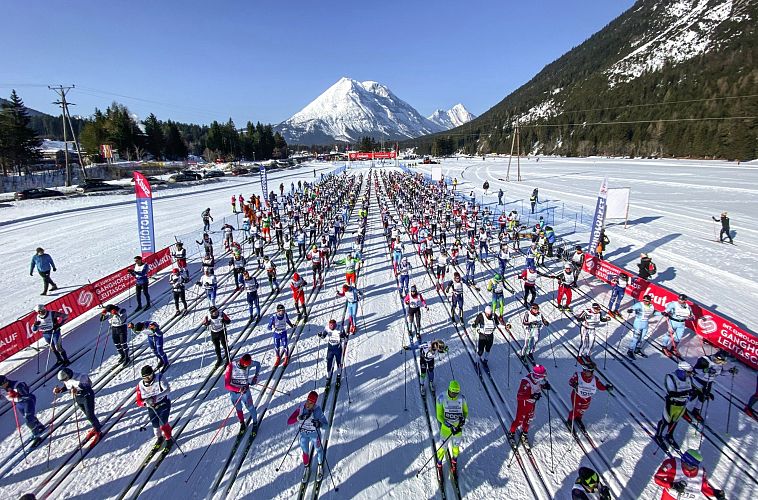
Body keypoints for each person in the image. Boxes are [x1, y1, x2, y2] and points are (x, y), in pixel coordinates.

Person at [53, 368, 102, 446]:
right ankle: (96, 426)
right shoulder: (67, 379)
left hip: (87, 396)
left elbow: (88, 387)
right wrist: (60, 390)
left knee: (90, 415)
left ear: (68, 375)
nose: (64, 381)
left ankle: (98, 431)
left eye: (65, 379)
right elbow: (67, 386)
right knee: (86, 414)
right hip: (78, 398)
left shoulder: (81, 377)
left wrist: (78, 390)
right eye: (63, 380)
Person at [685, 350, 735, 424]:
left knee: (703, 397)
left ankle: (696, 411)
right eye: (720, 361)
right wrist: (706, 370)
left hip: (708, 383)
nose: (720, 363)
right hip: (697, 381)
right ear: (716, 357)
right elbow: (695, 370)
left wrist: (730, 371)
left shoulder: (719, 364)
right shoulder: (704, 360)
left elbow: (721, 372)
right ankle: (682, 409)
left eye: (723, 362)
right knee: (692, 396)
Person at [286, 391, 328, 479]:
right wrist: (299, 418)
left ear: (315, 403)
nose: (308, 404)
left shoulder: (317, 410)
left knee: (318, 449)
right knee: (305, 451)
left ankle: (320, 465)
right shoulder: (301, 408)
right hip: (303, 435)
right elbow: (289, 421)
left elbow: (327, 426)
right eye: (308, 401)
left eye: (311, 403)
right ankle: (306, 467)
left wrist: (319, 424)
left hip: (315, 435)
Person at [654, 361, 695, 452]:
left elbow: (692, 390)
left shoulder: (688, 379)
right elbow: (671, 393)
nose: (690, 374)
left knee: (675, 421)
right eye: (688, 372)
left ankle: (669, 435)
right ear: (682, 370)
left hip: (682, 404)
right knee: (666, 420)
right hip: (672, 403)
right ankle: (658, 435)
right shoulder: (671, 377)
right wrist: (687, 393)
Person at [653, 449, 725, 500]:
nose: (683, 464)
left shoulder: (701, 472)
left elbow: (704, 488)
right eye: (683, 461)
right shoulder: (671, 464)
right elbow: (657, 478)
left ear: (694, 466)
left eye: (688, 465)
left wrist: (716, 493)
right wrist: (672, 485)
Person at [0, 375, 46, 447]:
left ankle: (36, 436)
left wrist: (17, 395)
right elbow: (3, 397)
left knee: (28, 420)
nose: (2, 387)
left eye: (2, 385)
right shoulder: (1, 388)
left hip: (28, 401)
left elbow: (27, 395)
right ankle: (39, 425)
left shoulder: (17, 385)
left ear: (6, 381)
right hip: (19, 404)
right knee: (27, 416)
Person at [566, 361, 612, 432]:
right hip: (577, 395)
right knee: (576, 409)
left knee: (583, 409)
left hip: (587, 397)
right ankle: (569, 420)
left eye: (588, 371)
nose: (586, 372)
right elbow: (570, 381)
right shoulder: (578, 375)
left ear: (592, 371)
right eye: (585, 370)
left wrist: (606, 387)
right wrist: (574, 384)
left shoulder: (595, 379)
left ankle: (578, 418)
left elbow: (600, 387)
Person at [509, 365, 550, 441]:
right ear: (538, 376)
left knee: (529, 419)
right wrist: (532, 396)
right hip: (524, 403)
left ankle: (524, 433)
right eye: (543, 376)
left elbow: (537, 386)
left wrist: (544, 386)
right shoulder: (526, 382)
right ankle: (511, 432)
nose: (544, 377)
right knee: (519, 420)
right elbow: (519, 396)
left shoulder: (537, 379)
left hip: (532, 403)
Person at [435, 380, 468, 475]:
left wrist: (462, 422)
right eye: (452, 393)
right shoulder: (441, 398)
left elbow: (465, 413)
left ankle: (454, 462)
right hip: (446, 429)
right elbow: (439, 415)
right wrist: (448, 425)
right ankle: (439, 464)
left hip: (458, 429)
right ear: (449, 390)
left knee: (456, 447)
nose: (454, 395)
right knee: (442, 447)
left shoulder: (462, 398)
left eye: (456, 393)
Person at [136, 365, 173, 445]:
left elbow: (167, 390)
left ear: (153, 374)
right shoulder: (140, 385)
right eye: (145, 378)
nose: (147, 379)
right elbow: (138, 401)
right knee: (155, 426)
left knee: (163, 423)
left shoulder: (159, 378)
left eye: (149, 376)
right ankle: (159, 438)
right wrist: (145, 403)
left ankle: (168, 439)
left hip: (163, 403)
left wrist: (155, 398)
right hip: (151, 407)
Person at [224, 353, 261, 431]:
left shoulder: (249, 363)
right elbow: (227, 385)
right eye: (246, 366)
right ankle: (242, 423)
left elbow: (258, 364)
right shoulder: (231, 366)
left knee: (250, 408)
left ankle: (255, 423)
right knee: (238, 408)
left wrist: (256, 376)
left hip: (245, 393)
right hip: (234, 393)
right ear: (243, 363)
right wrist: (239, 389)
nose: (248, 367)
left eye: (249, 365)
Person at [626, 294, 661, 359]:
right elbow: (633, 308)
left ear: (650, 301)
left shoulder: (651, 306)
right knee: (635, 338)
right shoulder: (639, 304)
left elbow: (654, 312)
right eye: (644, 300)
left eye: (647, 301)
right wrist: (631, 310)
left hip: (645, 324)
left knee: (642, 338)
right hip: (638, 323)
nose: (645, 302)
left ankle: (637, 349)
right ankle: (630, 351)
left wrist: (662, 313)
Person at [661, 294, 694, 358]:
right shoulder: (673, 304)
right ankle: (664, 347)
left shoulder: (688, 307)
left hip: (682, 323)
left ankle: (673, 348)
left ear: (685, 300)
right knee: (669, 334)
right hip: (673, 321)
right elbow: (666, 310)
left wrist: (691, 318)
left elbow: (692, 316)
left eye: (681, 300)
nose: (679, 300)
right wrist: (665, 313)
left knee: (678, 337)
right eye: (679, 299)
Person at [318, 319, 347, 383]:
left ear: (335, 325)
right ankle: (328, 376)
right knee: (329, 362)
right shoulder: (327, 328)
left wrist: (342, 337)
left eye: (333, 326)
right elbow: (323, 336)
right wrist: (320, 335)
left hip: (338, 348)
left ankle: (339, 375)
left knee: (338, 362)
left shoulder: (340, 328)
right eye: (330, 326)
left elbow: (345, 339)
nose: (331, 327)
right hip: (330, 348)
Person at [471, 305, 499, 369]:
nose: (488, 315)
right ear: (485, 312)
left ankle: (485, 361)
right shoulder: (481, 316)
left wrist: (506, 327)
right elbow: (475, 323)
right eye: (487, 314)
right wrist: (474, 325)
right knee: (480, 351)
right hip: (482, 336)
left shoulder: (494, 316)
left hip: (490, 336)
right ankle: (476, 362)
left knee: (488, 350)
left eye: (490, 314)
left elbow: (497, 324)